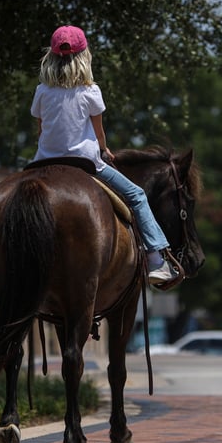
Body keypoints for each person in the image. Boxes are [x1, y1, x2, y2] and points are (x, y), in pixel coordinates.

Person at [29, 24, 180, 288]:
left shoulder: (42, 91)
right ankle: (156, 259)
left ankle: (6, 270)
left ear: (50, 58)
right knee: (137, 196)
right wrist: (104, 150)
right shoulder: (90, 91)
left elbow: (40, 129)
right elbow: (99, 133)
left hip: (44, 161)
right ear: (84, 57)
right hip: (86, 164)